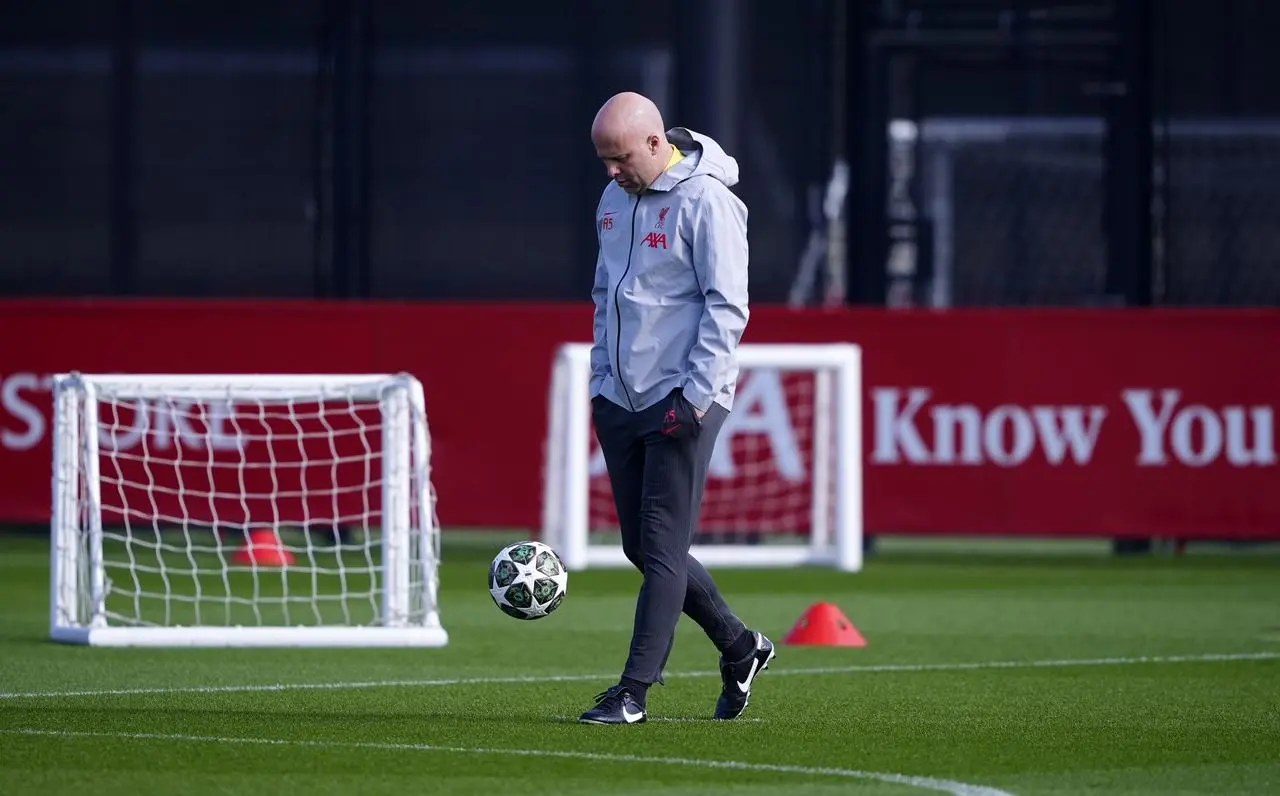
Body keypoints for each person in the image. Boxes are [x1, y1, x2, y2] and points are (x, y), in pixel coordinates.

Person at [578, 91, 774, 725]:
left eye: (620, 158)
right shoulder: (614, 199)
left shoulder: (709, 201)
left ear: (657, 144)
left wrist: (695, 397)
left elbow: (727, 307)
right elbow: (605, 290)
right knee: (641, 545)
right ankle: (740, 646)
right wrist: (601, 378)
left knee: (662, 546)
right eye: (603, 160)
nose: (611, 172)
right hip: (620, 395)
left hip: (682, 398)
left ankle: (632, 691)